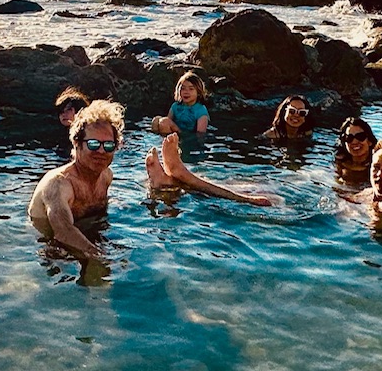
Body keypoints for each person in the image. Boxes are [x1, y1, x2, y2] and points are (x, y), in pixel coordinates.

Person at [28, 99, 125, 260]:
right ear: (77, 143)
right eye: (93, 144)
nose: (101, 151)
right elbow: (63, 232)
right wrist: (101, 258)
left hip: (90, 234)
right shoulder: (58, 183)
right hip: (47, 247)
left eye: (108, 145)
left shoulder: (106, 176)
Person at [145, 134, 273, 206]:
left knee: (269, 200)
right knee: (242, 186)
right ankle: (175, 179)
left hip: (275, 200)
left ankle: (178, 178)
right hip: (270, 187)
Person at [151, 71, 210, 136]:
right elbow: (167, 123)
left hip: (188, 137)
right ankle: (166, 143)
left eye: (191, 89)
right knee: (156, 121)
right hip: (175, 134)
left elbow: (201, 134)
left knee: (164, 122)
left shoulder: (201, 110)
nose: (186, 92)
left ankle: (172, 142)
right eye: (183, 88)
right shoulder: (175, 106)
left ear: (198, 92)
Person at [333, 116, 377, 183]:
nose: (354, 142)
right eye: (349, 138)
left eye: (360, 136)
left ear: (370, 141)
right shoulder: (340, 163)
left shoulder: (377, 165)